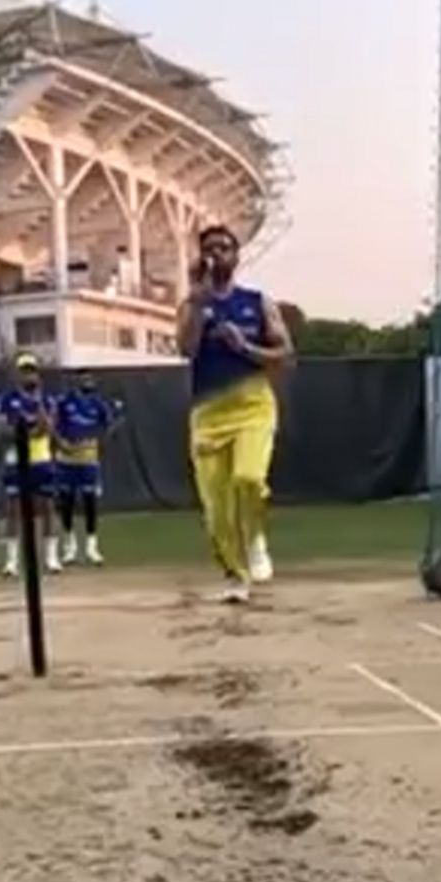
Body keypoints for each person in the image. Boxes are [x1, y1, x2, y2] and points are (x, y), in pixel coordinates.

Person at [175, 224, 295, 604]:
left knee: (248, 478)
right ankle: (234, 574)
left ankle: (257, 539)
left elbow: (285, 355)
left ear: (236, 255)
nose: (216, 255)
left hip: (252, 405)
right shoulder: (192, 304)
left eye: (223, 248)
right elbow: (186, 349)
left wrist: (244, 346)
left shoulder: (258, 303)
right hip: (208, 414)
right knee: (216, 510)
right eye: (209, 249)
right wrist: (196, 299)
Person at [0, 353, 61, 578]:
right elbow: (2, 430)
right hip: (16, 459)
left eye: (32, 370)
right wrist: (24, 433)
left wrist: (39, 409)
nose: (28, 375)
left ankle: (51, 558)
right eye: (24, 371)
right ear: (17, 374)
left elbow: (50, 428)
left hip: (41, 459)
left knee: (48, 507)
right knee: (13, 509)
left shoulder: (47, 399)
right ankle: (11, 561)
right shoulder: (6, 399)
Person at [52, 371, 123, 566]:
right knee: (66, 503)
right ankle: (70, 547)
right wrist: (60, 443)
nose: (88, 382)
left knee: (90, 502)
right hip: (66, 458)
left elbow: (109, 426)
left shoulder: (98, 403)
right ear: (75, 381)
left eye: (90, 379)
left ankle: (92, 547)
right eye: (84, 379)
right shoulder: (64, 401)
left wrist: (103, 439)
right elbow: (53, 425)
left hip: (88, 457)